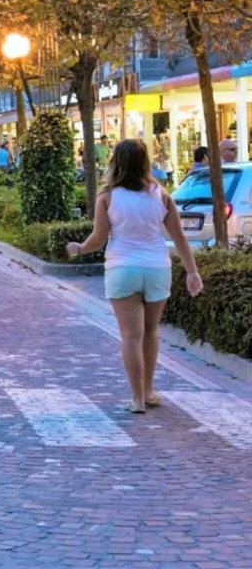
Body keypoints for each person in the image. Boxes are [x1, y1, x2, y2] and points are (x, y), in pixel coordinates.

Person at [67, 138, 202, 413]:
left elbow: (98, 238)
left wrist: (78, 248)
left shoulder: (107, 197)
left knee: (131, 336)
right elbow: (179, 237)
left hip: (122, 268)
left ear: (116, 162)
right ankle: (149, 391)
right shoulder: (161, 195)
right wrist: (192, 271)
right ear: (145, 162)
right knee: (151, 331)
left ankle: (137, 399)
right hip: (156, 268)